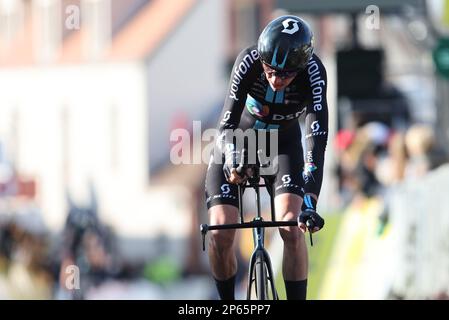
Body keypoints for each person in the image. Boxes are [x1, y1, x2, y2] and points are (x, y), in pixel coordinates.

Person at [204, 15, 328, 300]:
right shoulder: (248, 61)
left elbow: (316, 141)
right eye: (270, 70)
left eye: (285, 75)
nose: (275, 79)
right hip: (239, 141)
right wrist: (234, 159)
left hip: (283, 147)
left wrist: (309, 202)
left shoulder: (313, 72)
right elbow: (226, 126)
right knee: (221, 231)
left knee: (291, 227)